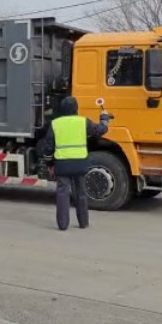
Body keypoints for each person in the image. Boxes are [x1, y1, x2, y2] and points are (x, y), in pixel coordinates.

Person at [41, 96, 111, 230]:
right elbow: (100, 131)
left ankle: (63, 224)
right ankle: (83, 223)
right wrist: (104, 120)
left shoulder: (55, 124)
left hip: (62, 165)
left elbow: (48, 148)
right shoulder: (83, 122)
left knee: (62, 194)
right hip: (80, 164)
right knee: (81, 193)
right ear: (76, 109)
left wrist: (50, 164)